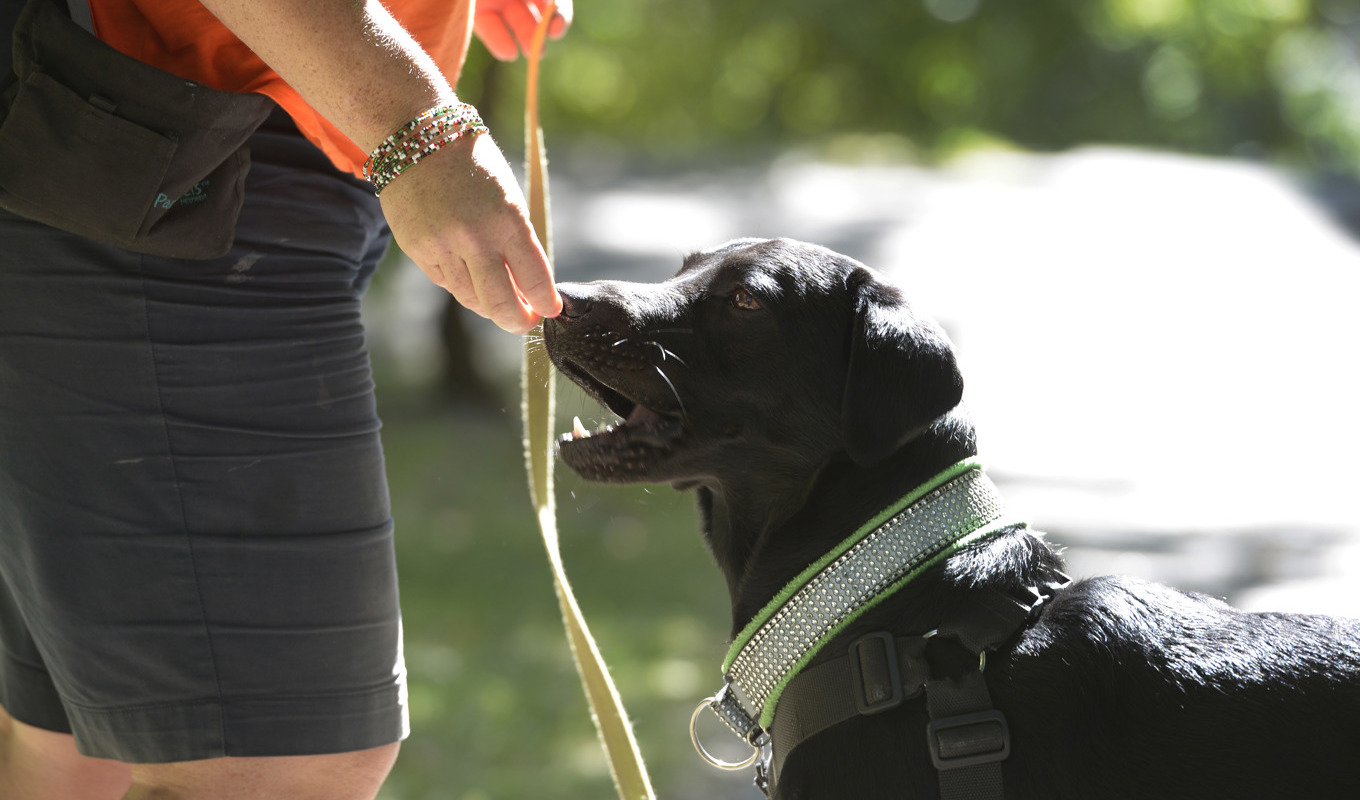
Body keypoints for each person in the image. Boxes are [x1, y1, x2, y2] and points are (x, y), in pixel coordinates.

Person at [0, 0, 568, 797]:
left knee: (75, 748)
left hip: (179, 133)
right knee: (273, 764)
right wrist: (420, 129)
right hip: (171, 143)